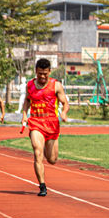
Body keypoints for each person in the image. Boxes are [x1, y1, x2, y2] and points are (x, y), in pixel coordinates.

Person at [21, 58, 69, 197]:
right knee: (37, 151)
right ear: (36, 71)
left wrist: (64, 112)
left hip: (52, 125)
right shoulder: (30, 85)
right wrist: (24, 114)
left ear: (49, 72)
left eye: (45, 74)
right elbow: (27, 101)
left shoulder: (56, 85)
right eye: (40, 73)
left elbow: (64, 103)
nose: (42, 76)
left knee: (52, 159)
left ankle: (48, 158)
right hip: (36, 122)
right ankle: (42, 186)